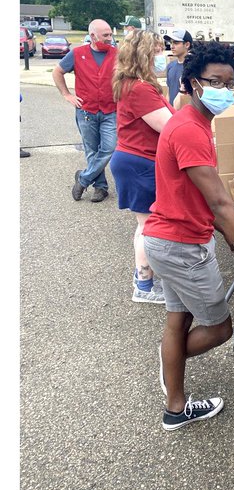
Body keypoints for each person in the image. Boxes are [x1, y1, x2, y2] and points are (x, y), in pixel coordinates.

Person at [142, 43, 234, 431]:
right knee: (219, 327)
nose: (225, 89)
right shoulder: (189, 129)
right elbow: (220, 203)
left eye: (231, 83)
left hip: (167, 239)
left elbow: (208, 200)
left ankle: (174, 397)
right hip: (181, 245)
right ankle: (173, 383)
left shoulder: (194, 123)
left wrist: (228, 231)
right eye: (215, 82)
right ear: (191, 84)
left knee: (178, 319)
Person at [110, 30, 174, 302]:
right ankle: (144, 286)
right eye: (158, 51)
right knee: (147, 227)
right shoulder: (140, 89)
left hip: (134, 159)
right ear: (144, 55)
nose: (163, 57)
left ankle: (143, 279)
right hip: (140, 163)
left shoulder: (131, 84)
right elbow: (169, 127)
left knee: (145, 225)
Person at [52, 19, 118, 202]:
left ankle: (83, 178)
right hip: (86, 112)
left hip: (110, 111)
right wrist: (66, 94)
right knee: (91, 150)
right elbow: (57, 72)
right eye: (106, 35)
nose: (110, 38)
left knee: (109, 148)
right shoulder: (77, 54)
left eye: (111, 34)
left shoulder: (118, 54)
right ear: (92, 36)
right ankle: (100, 187)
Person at [165, 29, 192, 106]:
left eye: (176, 43)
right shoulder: (170, 66)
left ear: (187, 45)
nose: (172, 46)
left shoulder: (193, 67)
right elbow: (169, 92)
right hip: (172, 114)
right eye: (171, 42)